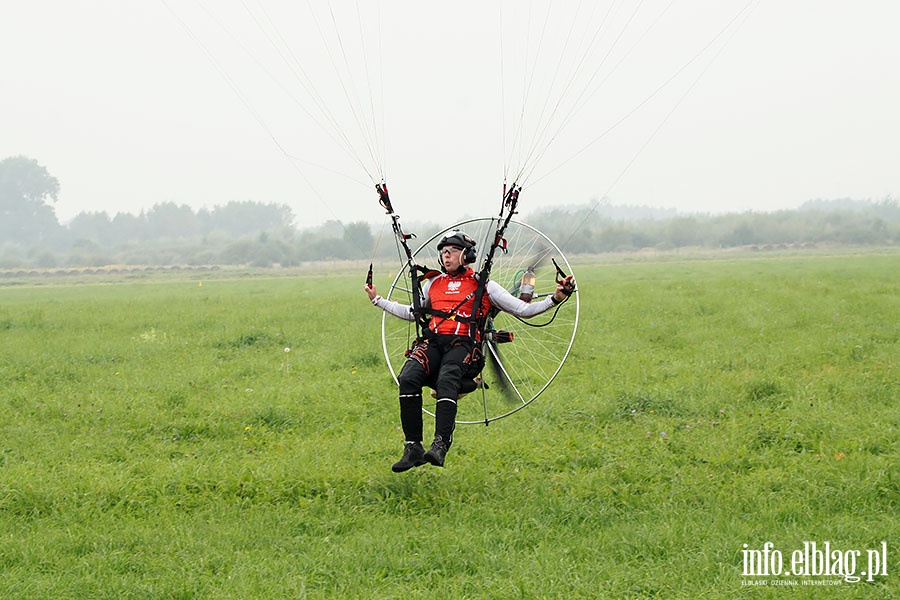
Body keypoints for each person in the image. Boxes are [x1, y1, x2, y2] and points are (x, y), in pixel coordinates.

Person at [364, 230, 576, 472]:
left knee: (447, 379)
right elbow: (413, 312)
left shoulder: (485, 285)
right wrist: (377, 299)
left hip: (464, 345)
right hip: (434, 342)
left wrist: (556, 298)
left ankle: (441, 444)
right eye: (443, 253)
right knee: (408, 377)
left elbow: (522, 310)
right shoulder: (433, 283)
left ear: (466, 254)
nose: (446, 256)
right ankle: (413, 447)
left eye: (451, 252)